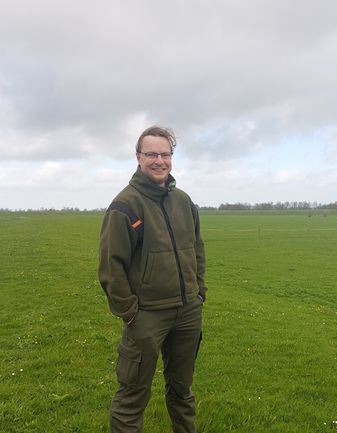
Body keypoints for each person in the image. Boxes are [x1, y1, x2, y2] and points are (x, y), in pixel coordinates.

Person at [98, 125, 207, 433]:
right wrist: (131, 312)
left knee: (182, 392)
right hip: (147, 315)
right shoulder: (125, 206)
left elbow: (197, 249)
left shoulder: (184, 201)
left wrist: (199, 292)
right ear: (138, 157)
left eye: (165, 154)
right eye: (151, 154)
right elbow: (110, 268)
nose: (159, 160)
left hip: (187, 312)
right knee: (132, 396)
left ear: (171, 157)